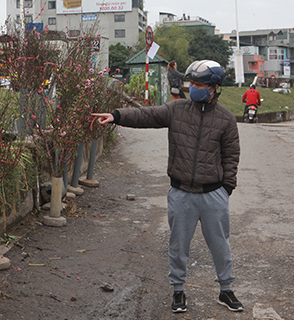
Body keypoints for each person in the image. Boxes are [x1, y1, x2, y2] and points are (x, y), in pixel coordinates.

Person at [92, 60, 243, 314]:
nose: (193, 88)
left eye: (199, 85)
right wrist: (117, 116)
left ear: (214, 88)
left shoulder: (226, 120)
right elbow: (147, 115)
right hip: (181, 192)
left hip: (213, 194)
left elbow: (231, 156)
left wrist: (225, 189)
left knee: (220, 244)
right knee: (178, 246)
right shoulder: (177, 110)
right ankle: (178, 291)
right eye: (191, 83)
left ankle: (225, 289)